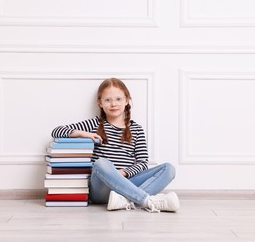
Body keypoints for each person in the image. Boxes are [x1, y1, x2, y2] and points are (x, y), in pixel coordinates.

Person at [51, 78, 179, 213]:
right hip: (101, 189)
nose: (113, 104)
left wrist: (123, 173)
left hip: (127, 183)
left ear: (127, 100)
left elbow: (142, 163)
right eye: (107, 100)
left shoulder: (136, 129)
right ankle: (146, 200)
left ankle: (124, 201)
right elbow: (57, 131)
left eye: (118, 99)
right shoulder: (95, 124)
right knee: (100, 163)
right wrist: (83, 134)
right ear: (100, 103)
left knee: (168, 168)